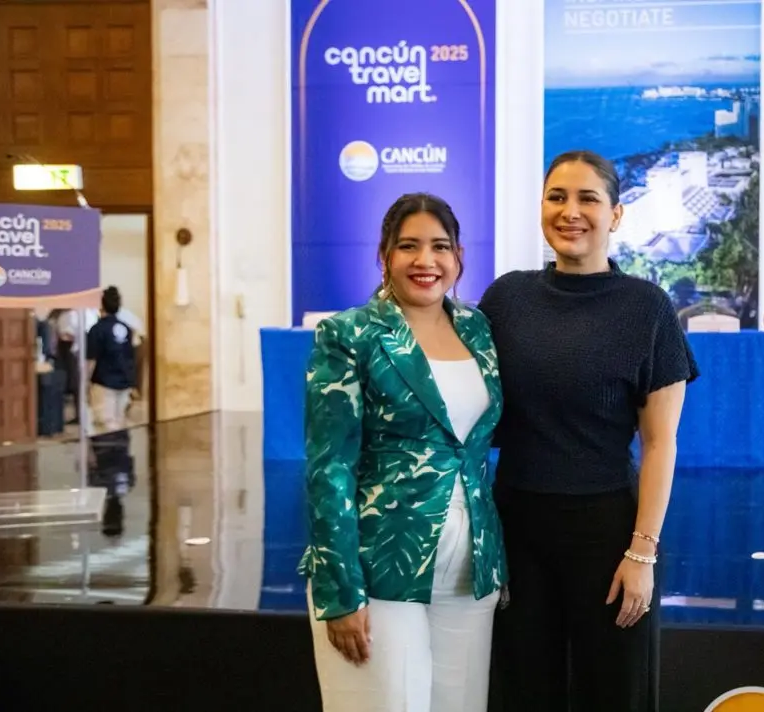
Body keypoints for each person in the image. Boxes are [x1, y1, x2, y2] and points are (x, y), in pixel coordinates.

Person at [480, 150, 699, 712]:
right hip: (516, 531)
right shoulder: (506, 299)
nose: (570, 211)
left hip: (608, 535)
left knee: (613, 695)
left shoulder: (646, 308)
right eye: (557, 197)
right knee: (523, 692)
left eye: (587, 199)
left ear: (617, 215)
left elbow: (659, 443)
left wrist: (641, 555)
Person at [300, 193, 506, 712]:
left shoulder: (477, 329)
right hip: (379, 565)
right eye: (408, 246)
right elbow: (330, 468)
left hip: (471, 568)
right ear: (384, 255)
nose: (426, 261)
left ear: (459, 255)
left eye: (440, 247)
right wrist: (340, 590)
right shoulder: (350, 334)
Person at [85, 287, 136, 433]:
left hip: (104, 383)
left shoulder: (97, 330)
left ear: (101, 305)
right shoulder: (126, 328)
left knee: (105, 427)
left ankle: (108, 456)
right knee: (120, 424)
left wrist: (85, 383)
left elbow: (91, 360)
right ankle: (120, 454)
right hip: (124, 382)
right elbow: (129, 356)